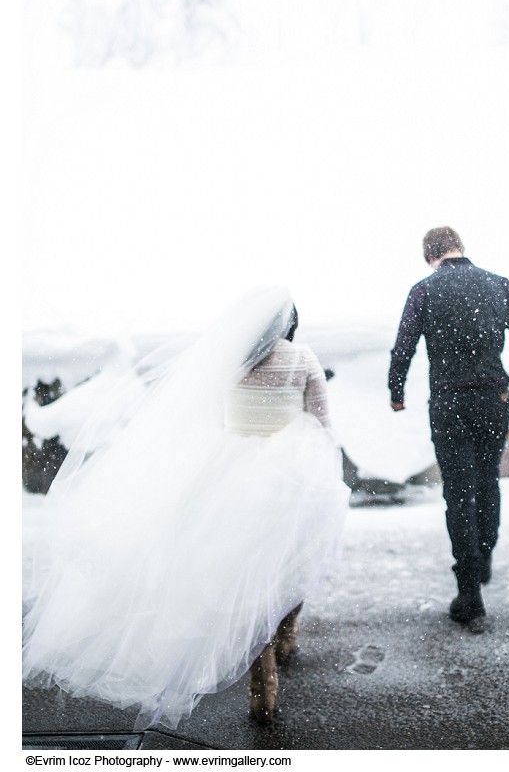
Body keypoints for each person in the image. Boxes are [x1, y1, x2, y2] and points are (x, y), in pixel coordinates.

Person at [22, 287, 350, 729]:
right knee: (285, 566)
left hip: (228, 475)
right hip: (287, 477)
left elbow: (214, 415)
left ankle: (262, 683)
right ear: (289, 323)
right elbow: (323, 423)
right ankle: (282, 642)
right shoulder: (302, 357)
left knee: (241, 582)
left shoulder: (230, 360)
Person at [388, 227, 509, 628]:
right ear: (461, 248)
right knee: (487, 482)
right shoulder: (498, 285)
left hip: (449, 402)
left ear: (430, 256)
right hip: (493, 399)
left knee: (458, 491)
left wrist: (396, 390)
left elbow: (404, 345)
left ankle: (470, 594)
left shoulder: (424, 290)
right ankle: (484, 557)